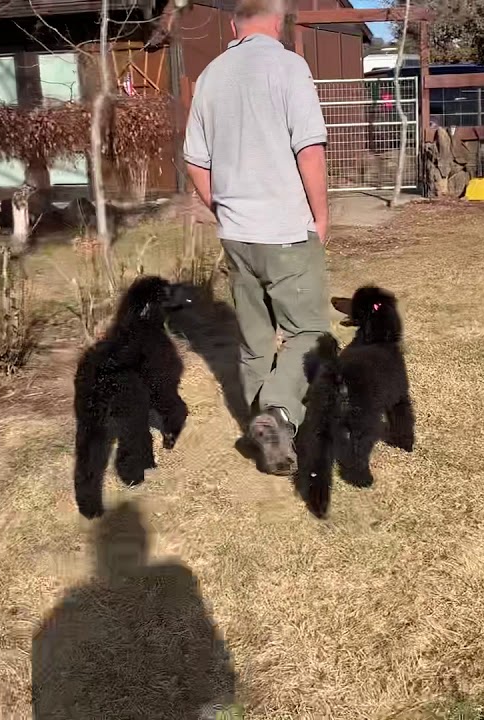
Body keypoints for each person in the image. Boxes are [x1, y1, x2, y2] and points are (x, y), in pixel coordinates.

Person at [183, 0, 330, 476]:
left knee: (254, 341)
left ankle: (265, 428)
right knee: (310, 331)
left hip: (237, 232)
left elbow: (195, 162)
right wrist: (321, 216)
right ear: (279, 20)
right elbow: (308, 148)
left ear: (233, 24)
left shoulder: (210, 77)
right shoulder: (288, 67)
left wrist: (220, 206)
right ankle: (281, 411)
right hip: (284, 230)